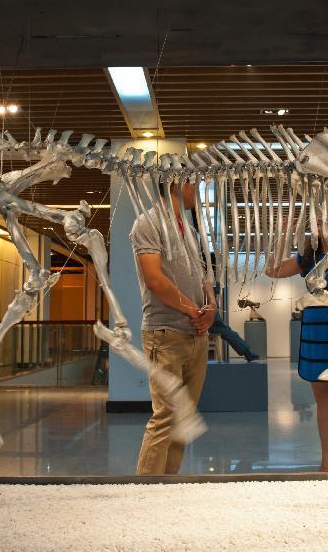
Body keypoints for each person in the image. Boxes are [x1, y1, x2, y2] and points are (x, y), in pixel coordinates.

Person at [131, 181, 216, 475]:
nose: (199, 190)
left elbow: (204, 276)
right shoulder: (147, 223)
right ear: (180, 184)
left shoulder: (190, 231)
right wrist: (195, 311)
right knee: (166, 415)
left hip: (196, 333)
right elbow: (154, 280)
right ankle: (144, 495)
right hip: (164, 333)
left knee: (183, 417)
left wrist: (211, 308)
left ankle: (167, 488)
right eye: (196, 183)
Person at [266, 221, 328, 472]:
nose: (319, 222)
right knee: (324, 400)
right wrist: (284, 233)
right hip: (317, 331)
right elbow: (272, 269)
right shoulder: (310, 254)